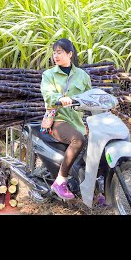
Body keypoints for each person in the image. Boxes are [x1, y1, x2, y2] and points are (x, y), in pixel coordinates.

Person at [40, 38, 92, 200]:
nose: (56, 55)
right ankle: (60, 181)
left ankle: (94, 188)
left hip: (77, 121)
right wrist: (60, 99)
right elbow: (48, 95)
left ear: (70, 54)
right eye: (54, 52)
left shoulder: (82, 76)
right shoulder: (49, 75)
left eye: (59, 52)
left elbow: (89, 95)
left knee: (97, 148)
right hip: (58, 120)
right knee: (77, 140)